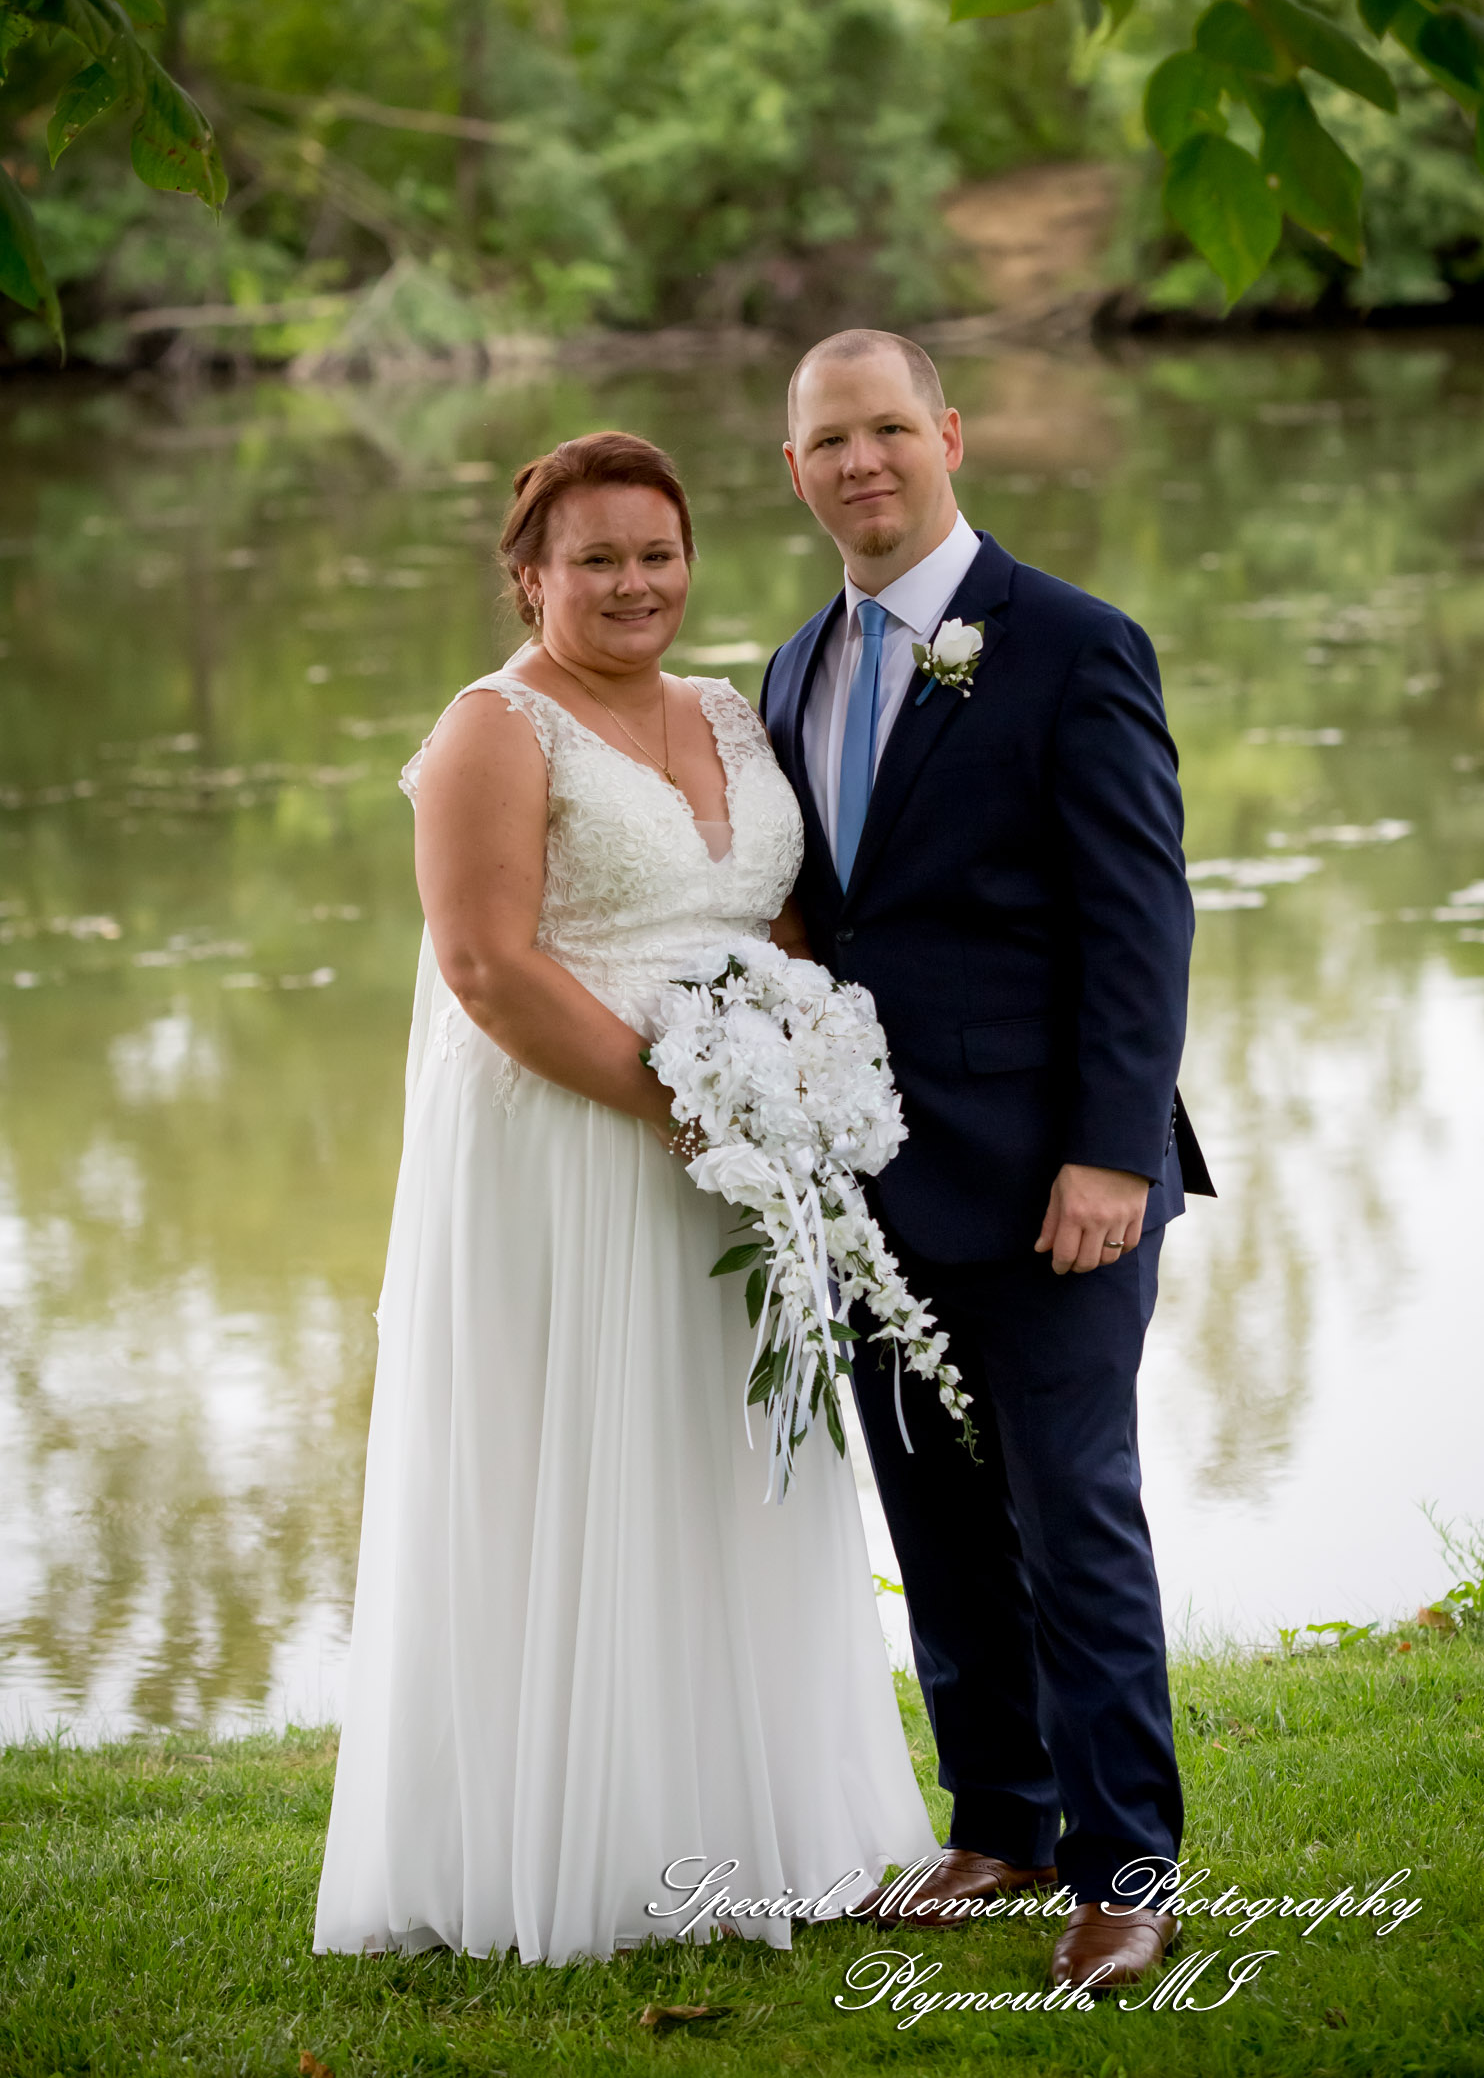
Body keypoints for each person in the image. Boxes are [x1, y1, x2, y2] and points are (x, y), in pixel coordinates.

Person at [315, 429, 933, 1966]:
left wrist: (794, 1072)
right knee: (580, 1462)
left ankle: (770, 1830)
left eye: (658, 554)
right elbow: (487, 967)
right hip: (573, 1149)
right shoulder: (494, 728)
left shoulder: (728, 710)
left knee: (722, 1463)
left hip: (734, 1155)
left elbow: (777, 916)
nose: (634, 583)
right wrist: (684, 1106)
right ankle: (584, 1850)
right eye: (596, 559)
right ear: (531, 578)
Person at [760, 330, 1215, 1994]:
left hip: (1053, 1181)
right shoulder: (790, 670)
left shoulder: (1073, 643)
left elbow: (1141, 923)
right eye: (831, 439)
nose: (863, 461)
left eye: (890, 427)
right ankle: (1004, 1819)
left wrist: (1110, 1155)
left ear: (947, 435)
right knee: (936, 1516)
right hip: (872, 1182)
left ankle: (1127, 1870)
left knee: (1071, 1514)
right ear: (794, 469)